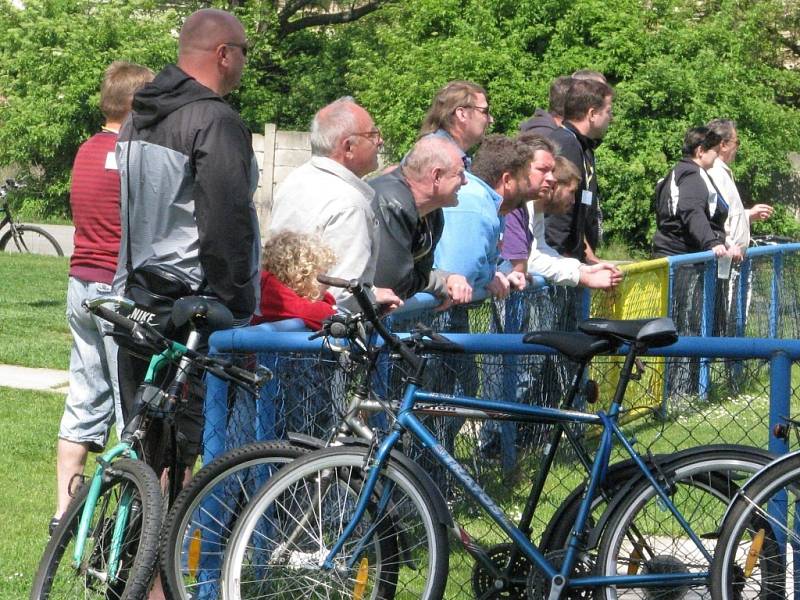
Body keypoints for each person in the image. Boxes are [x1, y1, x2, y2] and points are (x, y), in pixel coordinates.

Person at [115, 8, 261, 478]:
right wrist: (237, 302)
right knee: (181, 457)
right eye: (245, 51)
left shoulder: (138, 116)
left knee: (143, 452)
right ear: (223, 55)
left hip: (141, 298)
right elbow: (226, 224)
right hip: (190, 310)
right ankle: (162, 550)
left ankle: (126, 549)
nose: (246, 61)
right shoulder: (216, 122)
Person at [53, 61, 154, 533]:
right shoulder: (131, 155)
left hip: (80, 283)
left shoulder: (86, 149)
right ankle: (127, 520)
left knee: (83, 393)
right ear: (138, 105)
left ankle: (63, 512)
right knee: (127, 404)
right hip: (115, 288)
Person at [268, 97, 402, 312]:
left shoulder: (294, 181)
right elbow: (344, 295)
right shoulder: (350, 203)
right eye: (372, 134)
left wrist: (372, 293)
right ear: (348, 147)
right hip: (323, 338)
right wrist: (372, 302)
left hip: (282, 323)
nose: (380, 141)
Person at [502, 142, 623, 290]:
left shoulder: (535, 210)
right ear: (555, 187)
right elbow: (530, 261)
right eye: (571, 192)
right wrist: (584, 278)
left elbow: (541, 250)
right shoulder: (522, 207)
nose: (573, 201)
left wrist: (583, 268)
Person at [370, 136, 472, 305]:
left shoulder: (433, 213)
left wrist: (440, 279)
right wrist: (440, 282)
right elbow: (392, 285)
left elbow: (420, 275)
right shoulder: (391, 204)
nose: (466, 181)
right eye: (460, 173)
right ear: (437, 176)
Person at [434, 135, 533, 298]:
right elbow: (460, 274)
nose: (528, 187)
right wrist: (489, 278)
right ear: (507, 180)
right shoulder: (476, 204)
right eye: (525, 180)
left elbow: (488, 257)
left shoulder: (492, 204)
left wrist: (504, 272)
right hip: (435, 312)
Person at [545, 78, 615, 263]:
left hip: (575, 261)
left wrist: (589, 256)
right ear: (592, 114)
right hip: (560, 264)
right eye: (608, 111)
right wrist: (562, 263)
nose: (611, 118)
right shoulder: (566, 144)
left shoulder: (582, 146)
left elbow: (579, 213)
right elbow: (558, 213)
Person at [652, 127, 735, 258]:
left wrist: (725, 243)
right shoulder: (692, 175)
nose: (717, 156)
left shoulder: (680, 171)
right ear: (701, 151)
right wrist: (711, 242)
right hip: (682, 260)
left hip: (674, 256)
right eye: (716, 151)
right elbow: (692, 209)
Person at [706, 118, 773, 256]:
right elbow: (715, 218)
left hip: (730, 257)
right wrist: (729, 244)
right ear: (723, 145)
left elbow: (727, 214)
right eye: (737, 142)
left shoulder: (721, 171)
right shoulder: (715, 172)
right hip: (724, 257)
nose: (738, 147)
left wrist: (748, 214)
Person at [251, 231, 336, 330]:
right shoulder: (270, 291)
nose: (328, 285)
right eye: (322, 276)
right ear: (300, 276)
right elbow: (323, 315)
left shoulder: (272, 286)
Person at [419, 80, 493, 168]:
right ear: (462, 114)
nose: (491, 119)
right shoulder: (437, 157)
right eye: (485, 111)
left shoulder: (449, 155)